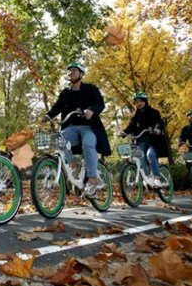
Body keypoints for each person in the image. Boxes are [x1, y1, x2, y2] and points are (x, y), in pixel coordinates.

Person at [43, 62, 111, 197]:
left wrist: (92, 110)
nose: (71, 73)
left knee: (87, 143)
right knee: (58, 139)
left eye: (74, 70)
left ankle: (92, 179)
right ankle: (73, 165)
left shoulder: (91, 89)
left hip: (90, 127)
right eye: (69, 71)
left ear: (81, 74)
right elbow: (57, 107)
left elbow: (100, 103)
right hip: (72, 128)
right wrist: (48, 115)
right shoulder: (65, 93)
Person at [120, 91, 169, 187]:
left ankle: (157, 178)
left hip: (154, 141)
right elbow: (131, 127)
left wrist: (157, 129)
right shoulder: (135, 117)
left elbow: (159, 122)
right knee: (139, 157)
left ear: (145, 102)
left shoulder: (154, 112)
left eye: (141, 101)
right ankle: (147, 177)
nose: (139, 103)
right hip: (141, 141)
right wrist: (123, 132)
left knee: (150, 155)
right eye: (137, 102)